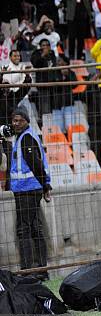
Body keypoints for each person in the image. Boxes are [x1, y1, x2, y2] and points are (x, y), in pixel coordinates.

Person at [9, 109, 51, 281]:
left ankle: (27, 270)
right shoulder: (24, 136)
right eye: (13, 120)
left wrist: (46, 186)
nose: (15, 124)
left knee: (24, 230)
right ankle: (41, 269)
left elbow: (36, 164)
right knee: (35, 228)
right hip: (28, 189)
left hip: (27, 189)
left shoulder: (26, 138)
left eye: (19, 120)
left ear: (26, 121)